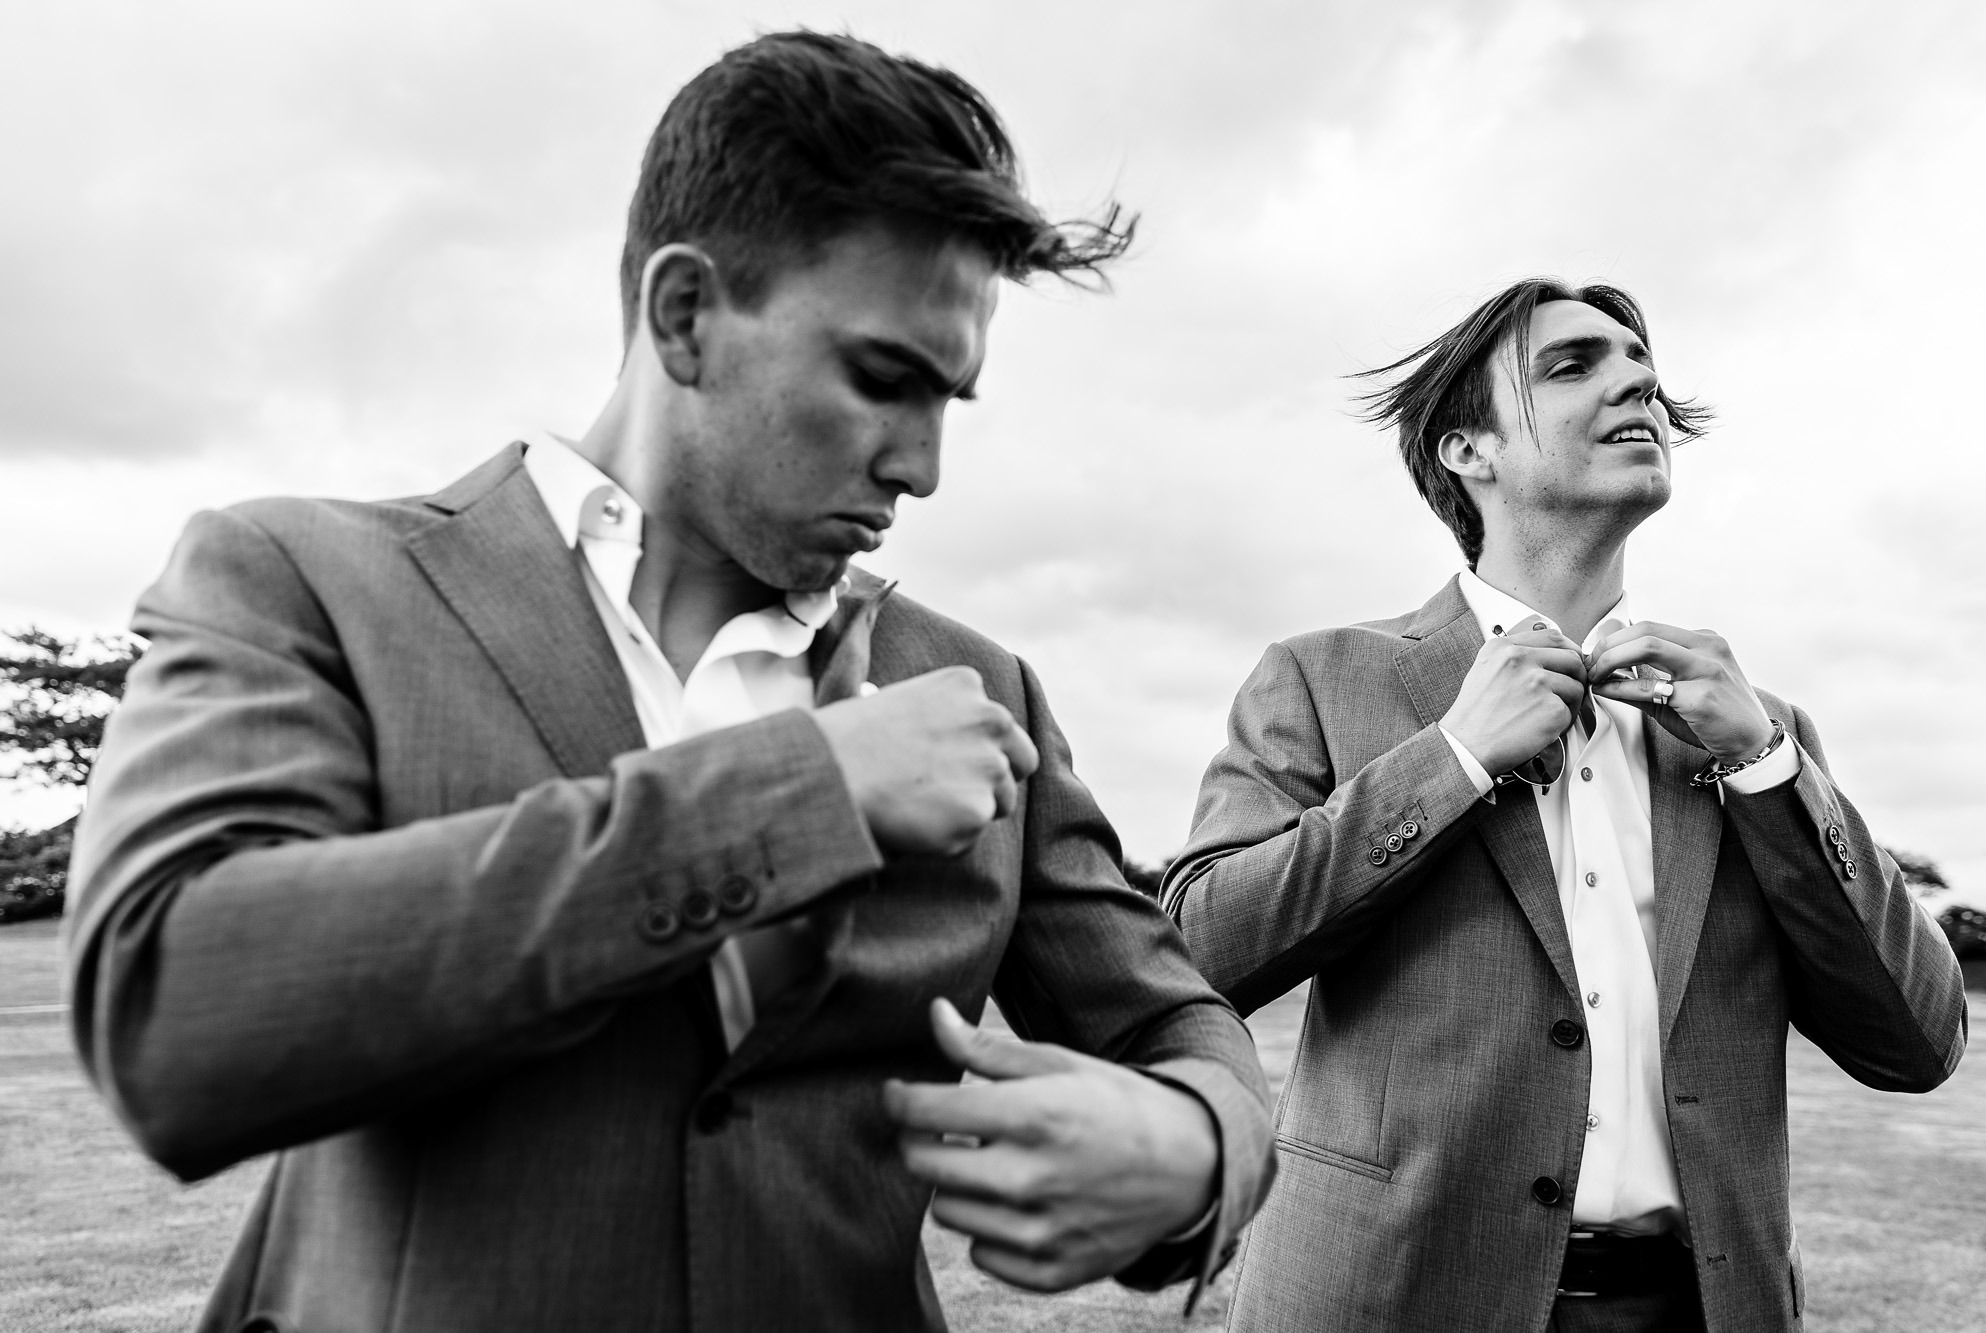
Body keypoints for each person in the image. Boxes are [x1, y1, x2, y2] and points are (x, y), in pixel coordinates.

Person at [66, 31, 1273, 1333]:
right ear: (684, 312)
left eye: (952, 403)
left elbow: (1180, 1025)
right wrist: (792, 796)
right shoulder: (304, 579)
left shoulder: (981, 687)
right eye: (883, 380)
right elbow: (175, 1019)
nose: (922, 468)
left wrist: (1200, 1146)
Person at [1163, 277, 1964, 1332]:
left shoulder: (1754, 729)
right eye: (1573, 364)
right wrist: (1450, 758)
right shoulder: (1318, 678)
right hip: (1386, 1295)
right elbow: (1190, 954)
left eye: (1640, 365)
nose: (1635, 377)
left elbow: (1915, 1041)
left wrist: (1766, 764)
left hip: (1699, 1304)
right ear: (1467, 450)